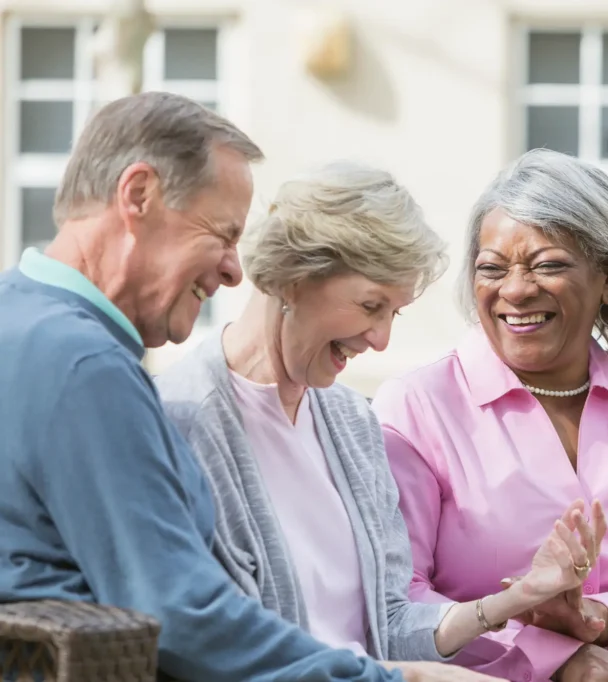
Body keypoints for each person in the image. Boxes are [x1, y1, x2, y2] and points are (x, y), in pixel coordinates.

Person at [0, 90, 423, 682]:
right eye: (222, 234)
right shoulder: (85, 366)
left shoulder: (17, 317)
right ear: (138, 195)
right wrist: (394, 680)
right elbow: (181, 615)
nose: (234, 268)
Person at [155, 160, 604, 681]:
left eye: (394, 313)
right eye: (371, 305)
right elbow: (227, 650)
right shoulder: (182, 421)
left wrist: (518, 597)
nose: (381, 339)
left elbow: (390, 624)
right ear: (293, 278)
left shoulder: (350, 421)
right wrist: (410, 678)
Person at [373, 149, 608, 682]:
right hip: (486, 672)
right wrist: (558, 658)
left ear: (607, 276)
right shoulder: (418, 407)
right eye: (492, 268)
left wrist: (603, 623)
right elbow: (402, 604)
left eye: (548, 264)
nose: (514, 289)